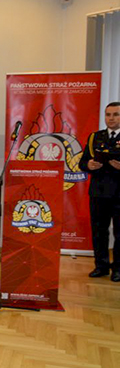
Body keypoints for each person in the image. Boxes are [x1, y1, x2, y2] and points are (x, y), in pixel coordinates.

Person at [78, 102, 120, 282]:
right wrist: (88, 165)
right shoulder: (94, 137)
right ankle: (101, 266)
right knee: (99, 231)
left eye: (116, 114)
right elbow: (82, 162)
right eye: (108, 114)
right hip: (98, 192)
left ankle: (118, 269)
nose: (111, 118)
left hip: (119, 193)